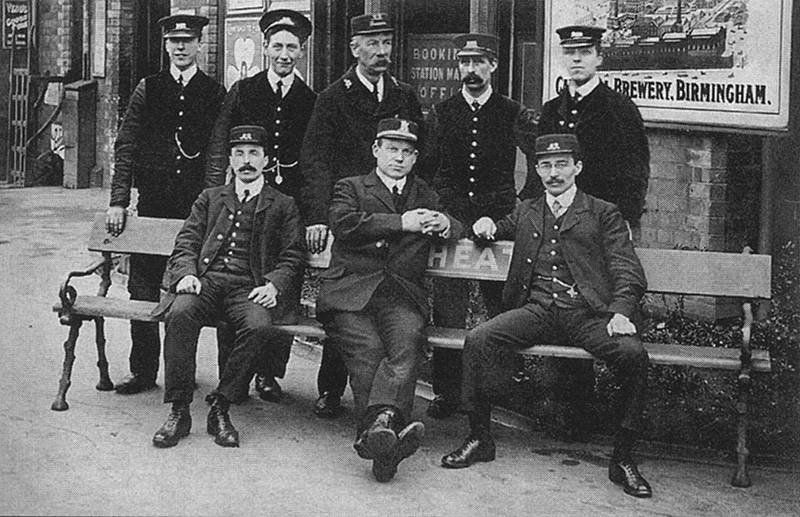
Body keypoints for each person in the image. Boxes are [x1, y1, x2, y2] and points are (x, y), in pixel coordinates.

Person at [441, 134, 652, 499]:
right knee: (478, 339)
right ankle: (479, 437)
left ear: (577, 167)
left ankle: (623, 458)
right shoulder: (528, 209)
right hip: (537, 311)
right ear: (537, 170)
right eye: (546, 166)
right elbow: (502, 227)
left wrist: (620, 311)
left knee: (633, 355)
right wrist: (487, 224)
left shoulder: (603, 213)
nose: (553, 173)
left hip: (587, 315)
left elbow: (627, 270)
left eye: (561, 165)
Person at [518, 25, 650, 438]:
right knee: (561, 302)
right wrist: (527, 211)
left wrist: (627, 218)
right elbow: (540, 172)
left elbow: (636, 169)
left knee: (596, 307)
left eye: (585, 52)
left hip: (601, 229)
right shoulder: (552, 110)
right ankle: (570, 410)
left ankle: (605, 414)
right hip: (558, 224)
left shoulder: (618, 108)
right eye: (570, 52)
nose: (576, 59)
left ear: (599, 58)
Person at [316, 118, 462, 481]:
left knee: (407, 342)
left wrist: (445, 223)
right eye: (392, 149)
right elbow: (343, 224)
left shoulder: (425, 194)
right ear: (376, 151)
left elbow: (455, 224)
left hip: (401, 296)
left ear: (415, 158)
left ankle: (378, 436)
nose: (399, 158)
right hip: (350, 293)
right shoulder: (351, 187)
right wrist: (401, 222)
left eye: (407, 152)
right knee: (368, 349)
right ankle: (387, 430)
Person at [300, 12, 425, 418]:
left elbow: (418, 153)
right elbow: (316, 160)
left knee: (383, 307)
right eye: (372, 43)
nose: (381, 51)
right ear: (355, 48)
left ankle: (379, 410)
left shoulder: (403, 94)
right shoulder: (334, 96)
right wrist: (318, 216)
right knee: (350, 299)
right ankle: (331, 389)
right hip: (350, 210)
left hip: (392, 210)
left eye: (386, 42)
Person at [151, 125, 305, 448]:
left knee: (259, 325)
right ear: (231, 160)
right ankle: (179, 410)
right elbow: (186, 241)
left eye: (254, 154)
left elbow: (293, 256)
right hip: (206, 282)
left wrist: (273, 285)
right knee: (179, 313)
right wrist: (187, 274)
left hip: (249, 288)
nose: (246, 161)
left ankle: (221, 406)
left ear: (266, 160)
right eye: (239, 154)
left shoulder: (283, 204)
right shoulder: (210, 198)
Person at [106, 14, 226, 395]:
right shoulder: (148, 88)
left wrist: (210, 203)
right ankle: (143, 371)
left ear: (199, 45)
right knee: (142, 288)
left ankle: (182, 371)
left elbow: (217, 155)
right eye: (174, 41)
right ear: (166, 45)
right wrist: (119, 201)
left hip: (193, 209)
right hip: (152, 205)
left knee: (190, 291)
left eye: (187, 41)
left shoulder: (214, 92)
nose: (180, 47)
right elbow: (126, 145)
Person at [206, 9, 316, 405]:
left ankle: (269, 373)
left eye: (292, 47)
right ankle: (230, 373)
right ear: (265, 48)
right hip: (244, 200)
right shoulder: (244, 90)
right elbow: (220, 143)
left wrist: (313, 213)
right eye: (278, 46)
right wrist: (215, 195)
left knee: (282, 287)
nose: (284, 54)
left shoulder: (310, 99)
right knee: (235, 280)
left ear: (301, 52)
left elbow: (316, 157)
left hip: (288, 205)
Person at [426, 33, 538, 418]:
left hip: (500, 220)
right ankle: (447, 390)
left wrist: (520, 205)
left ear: (493, 65)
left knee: (503, 306)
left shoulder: (512, 112)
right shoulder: (442, 112)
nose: (470, 70)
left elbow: (539, 160)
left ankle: (500, 387)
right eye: (464, 62)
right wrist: (444, 211)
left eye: (478, 62)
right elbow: (428, 168)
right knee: (448, 307)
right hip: (453, 220)